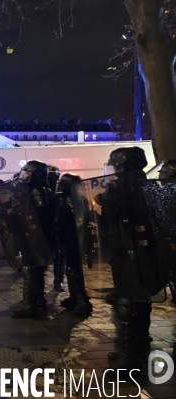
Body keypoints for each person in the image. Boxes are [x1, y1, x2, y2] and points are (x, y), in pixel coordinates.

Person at [96, 147, 160, 368]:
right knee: (142, 301)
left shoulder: (120, 189)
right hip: (147, 254)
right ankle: (139, 346)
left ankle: (128, 357)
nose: (115, 170)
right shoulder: (151, 186)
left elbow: (111, 218)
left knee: (127, 303)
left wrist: (98, 206)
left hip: (128, 252)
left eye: (118, 166)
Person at [10, 160, 56, 318]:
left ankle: (29, 305)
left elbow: (40, 214)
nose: (26, 175)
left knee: (31, 269)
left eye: (29, 173)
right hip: (37, 235)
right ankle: (39, 301)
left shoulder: (39, 191)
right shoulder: (36, 189)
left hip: (39, 236)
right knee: (36, 270)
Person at [54, 173, 92, 315]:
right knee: (72, 269)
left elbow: (60, 222)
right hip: (76, 239)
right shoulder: (80, 199)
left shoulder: (64, 201)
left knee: (73, 270)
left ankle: (82, 301)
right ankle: (75, 297)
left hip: (69, 239)